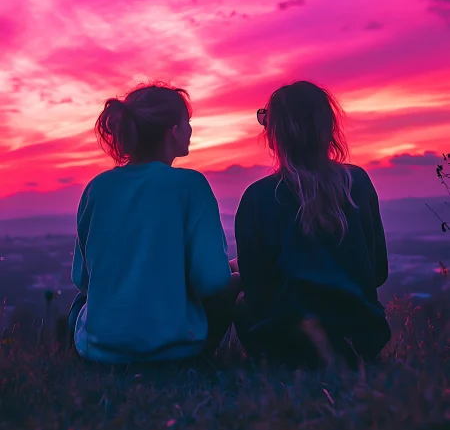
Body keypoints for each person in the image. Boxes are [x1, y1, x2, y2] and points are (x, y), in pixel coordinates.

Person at [68, 82, 240, 364]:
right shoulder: (190, 186)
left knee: (80, 302)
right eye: (188, 122)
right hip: (176, 351)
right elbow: (211, 281)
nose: (191, 129)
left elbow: (83, 280)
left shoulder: (97, 188)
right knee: (234, 281)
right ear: (174, 130)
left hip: (99, 352)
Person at [233, 81, 391, 369]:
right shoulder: (358, 182)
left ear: (274, 135)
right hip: (362, 337)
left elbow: (256, 293)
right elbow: (377, 271)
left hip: (288, 343)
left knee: (241, 303)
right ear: (328, 129)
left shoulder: (258, 196)